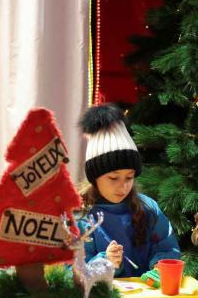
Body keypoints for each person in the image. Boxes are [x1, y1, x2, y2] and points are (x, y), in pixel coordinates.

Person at [77, 103, 180, 277]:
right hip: (102, 293)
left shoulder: (148, 208)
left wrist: (160, 267)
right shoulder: (81, 216)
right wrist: (105, 262)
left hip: (146, 292)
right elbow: (71, 272)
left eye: (129, 177)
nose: (123, 186)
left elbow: (167, 247)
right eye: (113, 178)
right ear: (95, 178)